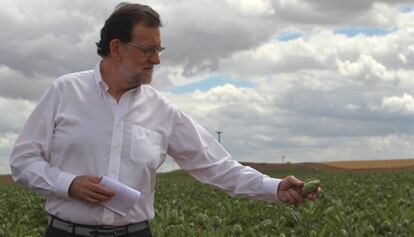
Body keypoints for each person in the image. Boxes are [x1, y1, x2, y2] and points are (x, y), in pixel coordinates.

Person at [10, 2, 319, 237]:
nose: (156, 59)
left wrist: (274, 187)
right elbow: (23, 161)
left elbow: (216, 166)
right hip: (66, 231)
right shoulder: (65, 91)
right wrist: (69, 184)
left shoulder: (163, 110)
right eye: (147, 50)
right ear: (116, 48)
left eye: (159, 49)